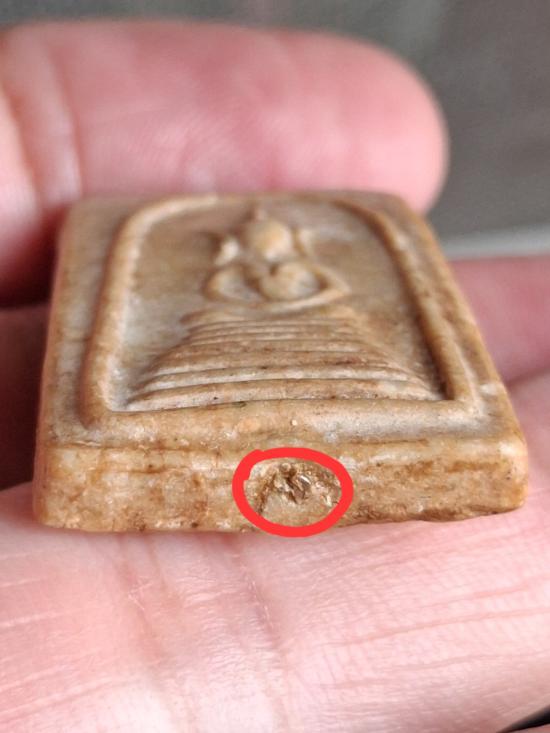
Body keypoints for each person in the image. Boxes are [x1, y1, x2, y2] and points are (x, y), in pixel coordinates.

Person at [0, 20, 549, 733]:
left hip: (320, 333)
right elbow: (216, 298)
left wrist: (290, 288)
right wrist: (241, 276)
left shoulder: (303, 264)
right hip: (220, 337)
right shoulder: (225, 265)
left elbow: (329, 295)